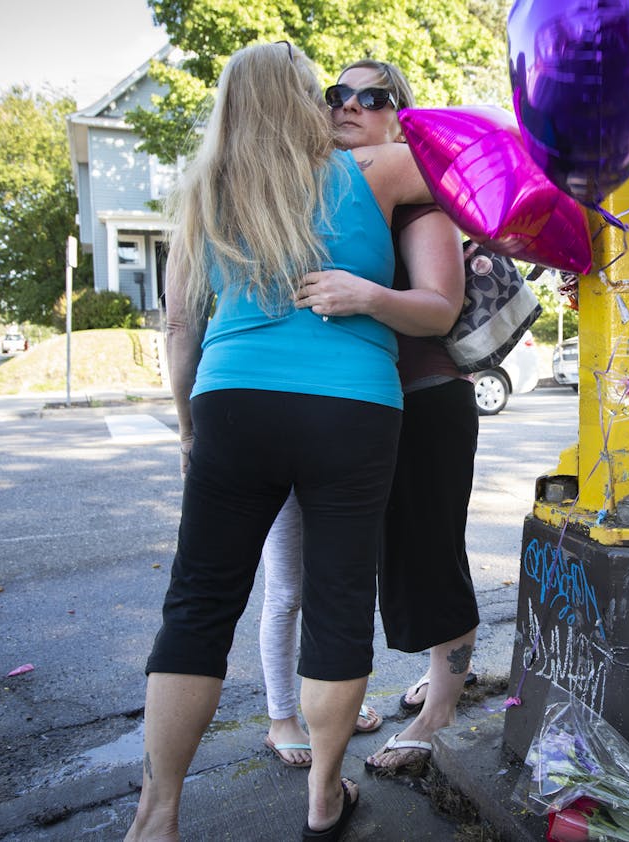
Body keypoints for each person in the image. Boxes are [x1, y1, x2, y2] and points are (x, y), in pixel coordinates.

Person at [125, 42, 435, 842]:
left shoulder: (204, 192)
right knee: (337, 604)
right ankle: (324, 798)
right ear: (306, 98)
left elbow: (180, 323)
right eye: (324, 92)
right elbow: (464, 163)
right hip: (354, 407)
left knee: (197, 607)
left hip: (234, 402)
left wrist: (190, 426)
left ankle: (158, 817)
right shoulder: (381, 171)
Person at [256, 59, 474, 777]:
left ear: (398, 117)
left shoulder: (415, 196)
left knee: (428, 556)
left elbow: (437, 308)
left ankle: (440, 709)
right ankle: (373, 695)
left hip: (423, 398)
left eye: (371, 97)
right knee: (357, 568)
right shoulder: (318, 190)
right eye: (336, 95)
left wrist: (364, 294)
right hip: (345, 407)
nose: (349, 106)